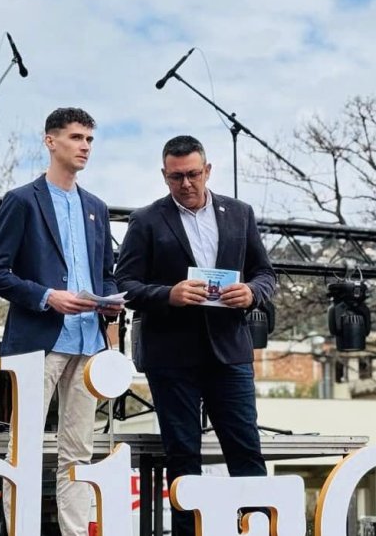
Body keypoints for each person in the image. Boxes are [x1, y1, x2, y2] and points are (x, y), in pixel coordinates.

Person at [114, 134, 276, 536]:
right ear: (163, 175)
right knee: (183, 457)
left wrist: (252, 292)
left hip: (230, 352)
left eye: (192, 174)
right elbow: (124, 284)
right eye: (176, 177)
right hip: (171, 356)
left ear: (208, 170)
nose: (185, 184)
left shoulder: (239, 213)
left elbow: (265, 273)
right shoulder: (146, 220)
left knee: (246, 452)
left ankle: (256, 528)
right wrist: (168, 294)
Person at [0, 106, 122, 536]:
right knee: (23, 448)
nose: (85, 147)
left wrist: (110, 302)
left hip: (89, 344)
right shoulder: (22, 200)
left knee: (78, 453)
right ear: (50, 141)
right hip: (38, 342)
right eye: (77, 137)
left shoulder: (96, 207)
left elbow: (107, 273)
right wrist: (47, 297)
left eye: (90, 139)